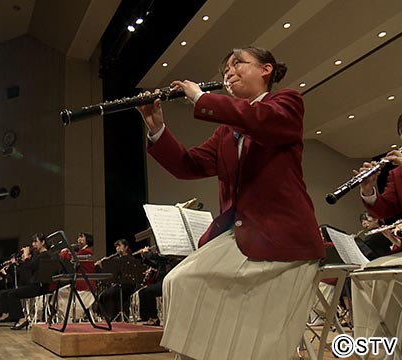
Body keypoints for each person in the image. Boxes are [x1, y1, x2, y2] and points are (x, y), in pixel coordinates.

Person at [137, 46, 325, 359]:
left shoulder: (287, 102)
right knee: (178, 283)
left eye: (238, 63)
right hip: (242, 235)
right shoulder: (227, 131)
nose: (228, 72)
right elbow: (189, 166)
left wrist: (201, 99)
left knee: (202, 295)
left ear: (266, 70)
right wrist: (156, 126)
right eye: (225, 69)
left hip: (281, 235)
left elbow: (260, 120)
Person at [353, 113, 402, 358]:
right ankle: (377, 352)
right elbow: (384, 209)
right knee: (364, 277)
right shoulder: (396, 174)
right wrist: (368, 188)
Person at [0, 233, 53, 330]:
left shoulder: (45, 255)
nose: (33, 244)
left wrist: (26, 256)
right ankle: (18, 318)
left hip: (41, 286)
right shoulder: (40, 255)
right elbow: (29, 268)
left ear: (43, 243)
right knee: (10, 293)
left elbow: (30, 267)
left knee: (12, 294)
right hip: (36, 285)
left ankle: (21, 319)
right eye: (33, 242)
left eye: (35, 242)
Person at [95, 239, 138, 321]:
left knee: (110, 293)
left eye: (119, 246)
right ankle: (108, 316)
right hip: (120, 285)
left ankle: (113, 316)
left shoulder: (130, 259)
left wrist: (105, 264)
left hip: (128, 285)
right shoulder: (117, 259)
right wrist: (101, 266)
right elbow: (112, 273)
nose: (117, 248)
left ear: (126, 247)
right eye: (116, 247)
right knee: (104, 294)